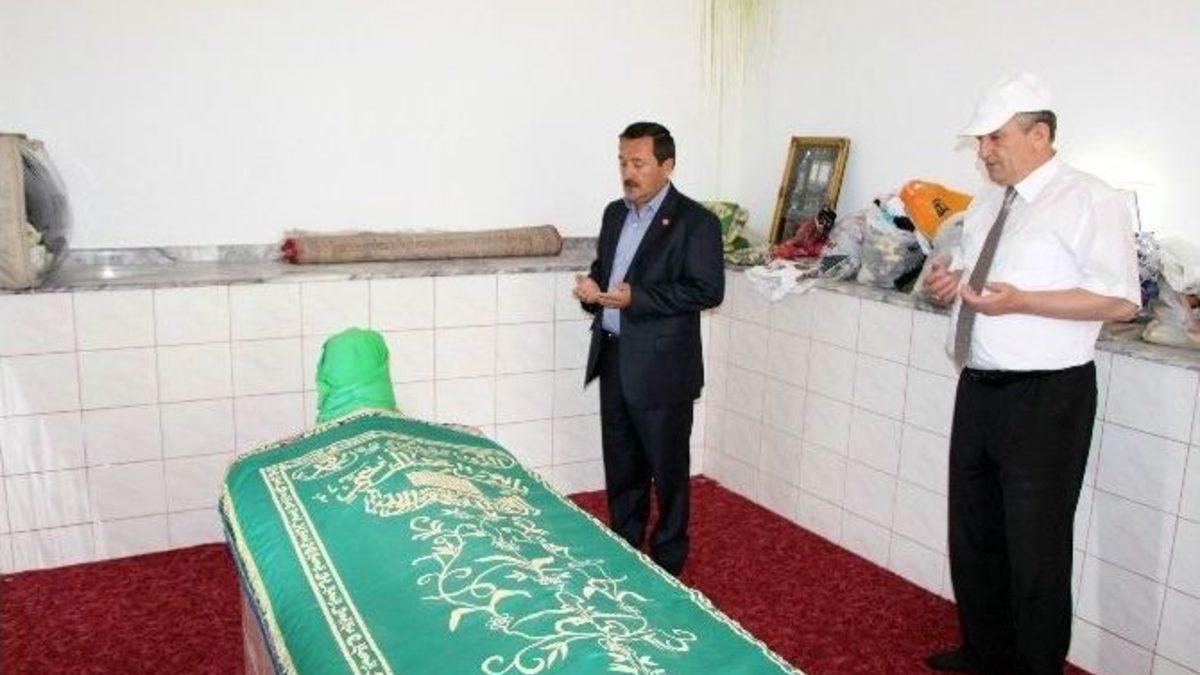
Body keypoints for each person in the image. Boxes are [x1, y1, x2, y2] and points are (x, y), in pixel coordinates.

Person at [923, 74, 1140, 674]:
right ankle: (984, 651)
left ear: (1039, 134)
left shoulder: (1091, 199)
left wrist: (1024, 302)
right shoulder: (990, 200)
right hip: (980, 386)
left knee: (1036, 545)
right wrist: (950, 284)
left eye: (995, 137)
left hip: (1047, 396)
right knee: (975, 531)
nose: (984, 151)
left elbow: (1121, 300)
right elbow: (979, 278)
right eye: (980, 140)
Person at [573, 121, 724, 575]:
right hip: (614, 355)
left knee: (667, 468)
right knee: (621, 462)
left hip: (663, 367)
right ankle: (624, 544)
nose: (628, 172)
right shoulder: (614, 214)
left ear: (667, 165)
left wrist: (637, 298)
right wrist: (592, 290)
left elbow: (707, 290)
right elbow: (605, 270)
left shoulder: (696, 222)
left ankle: (670, 556)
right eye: (622, 162)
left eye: (638, 163)